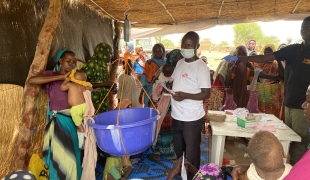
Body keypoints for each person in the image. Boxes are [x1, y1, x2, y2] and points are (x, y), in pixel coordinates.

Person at [229, 17, 310, 165]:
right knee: (287, 139)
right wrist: (244, 58)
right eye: (303, 27)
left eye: (309, 27)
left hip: (303, 107)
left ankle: (295, 171)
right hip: (288, 103)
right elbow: (267, 57)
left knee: (299, 143)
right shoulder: (293, 49)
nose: (305, 30)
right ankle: (287, 169)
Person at [232, 85, 310, 180]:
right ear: (284, 154)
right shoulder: (291, 170)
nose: (303, 105)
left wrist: (254, 168)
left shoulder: (249, 174)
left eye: (308, 101)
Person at [28, 50, 82, 180]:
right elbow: (32, 80)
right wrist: (60, 77)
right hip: (57, 121)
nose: (71, 64)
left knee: (72, 156)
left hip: (71, 121)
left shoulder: (75, 77)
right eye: (68, 61)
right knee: (57, 156)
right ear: (60, 61)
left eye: (73, 62)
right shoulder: (50, 75)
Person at [170, 31, 211, 179]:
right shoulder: (180, 63)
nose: (186, 47)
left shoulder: (201, 67)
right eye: (184, 45)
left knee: (192, 155)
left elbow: (206, 93)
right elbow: (175, 81)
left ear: (197, 46)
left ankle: (193, 177)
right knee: (179, 152)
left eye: (189, 45)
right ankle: (182, 174)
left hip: (192, 119)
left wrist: (186, 95)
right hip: (176, 116)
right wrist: (166, 86)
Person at [60, 70, 93, 149]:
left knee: (79, 127)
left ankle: (81, 142)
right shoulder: (83, 87)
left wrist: (65, 81)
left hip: (76, 109)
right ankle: (87, 135)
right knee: (83, 121)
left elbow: (62, 88)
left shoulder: (70, 85)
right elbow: (91, 89)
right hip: (84, 106)